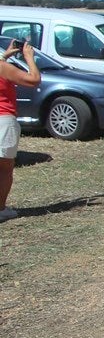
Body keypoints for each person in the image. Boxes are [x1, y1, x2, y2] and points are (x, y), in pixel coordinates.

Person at [0, 38, 42, 222]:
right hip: (3, 119)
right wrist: (29, 57)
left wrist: (5, 55)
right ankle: (0, 209)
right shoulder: (2, 67)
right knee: (4, 167)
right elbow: (33, 80)